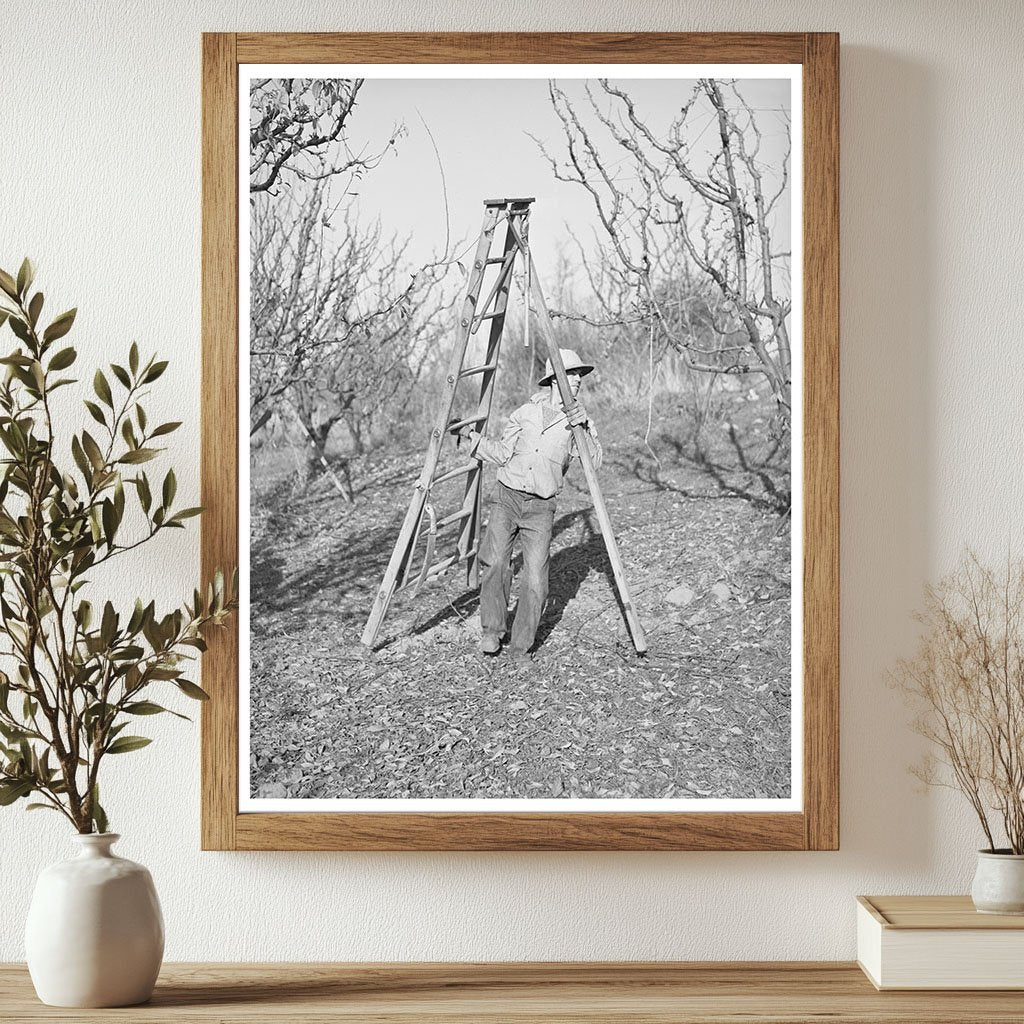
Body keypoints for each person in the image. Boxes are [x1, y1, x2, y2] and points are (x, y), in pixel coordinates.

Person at [450, 349, 603, 663]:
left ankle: (521, 646)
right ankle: (492, 631)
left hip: (540, 508)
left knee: (535, 578)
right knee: (494, 563)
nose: (577, 381)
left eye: (578, 376)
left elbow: (595, 462)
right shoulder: (525, 413)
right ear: (553, 380)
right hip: (507, 497)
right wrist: (471, 436)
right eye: (570, 374)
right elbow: (504, 453)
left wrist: (584, 427)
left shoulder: (578, 422)